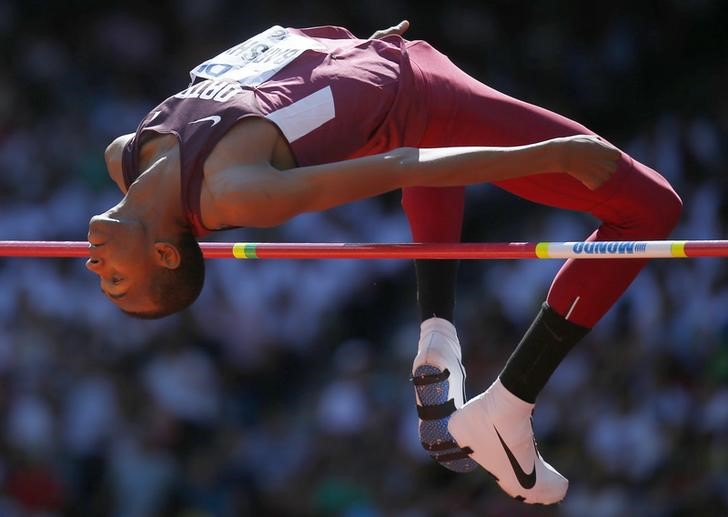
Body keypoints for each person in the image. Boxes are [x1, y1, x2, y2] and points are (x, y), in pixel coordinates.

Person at [87, 21, 681, 504]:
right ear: (164, 253)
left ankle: (438, 334)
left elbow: (266, 72)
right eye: (118, 280)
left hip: (385, 65)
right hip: (423, 100)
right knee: (652, 208)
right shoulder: (235, 195)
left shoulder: (127, 155)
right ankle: (510, 404)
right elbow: (407, 165)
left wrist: (347, 51)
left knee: (415, 121)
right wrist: (547, 154)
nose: (94, 269)